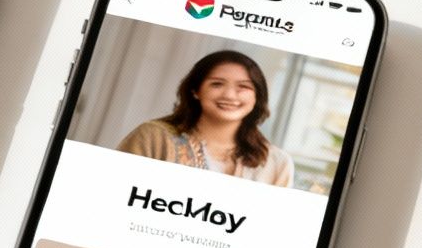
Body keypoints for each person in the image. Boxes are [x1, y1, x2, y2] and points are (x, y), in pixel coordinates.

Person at [117, 50, 293, 187]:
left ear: (257, 96)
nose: (230, 95)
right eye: (217, 84)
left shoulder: (278, 163)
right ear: (195, 90)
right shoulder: (153, 136)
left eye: (243, 87)